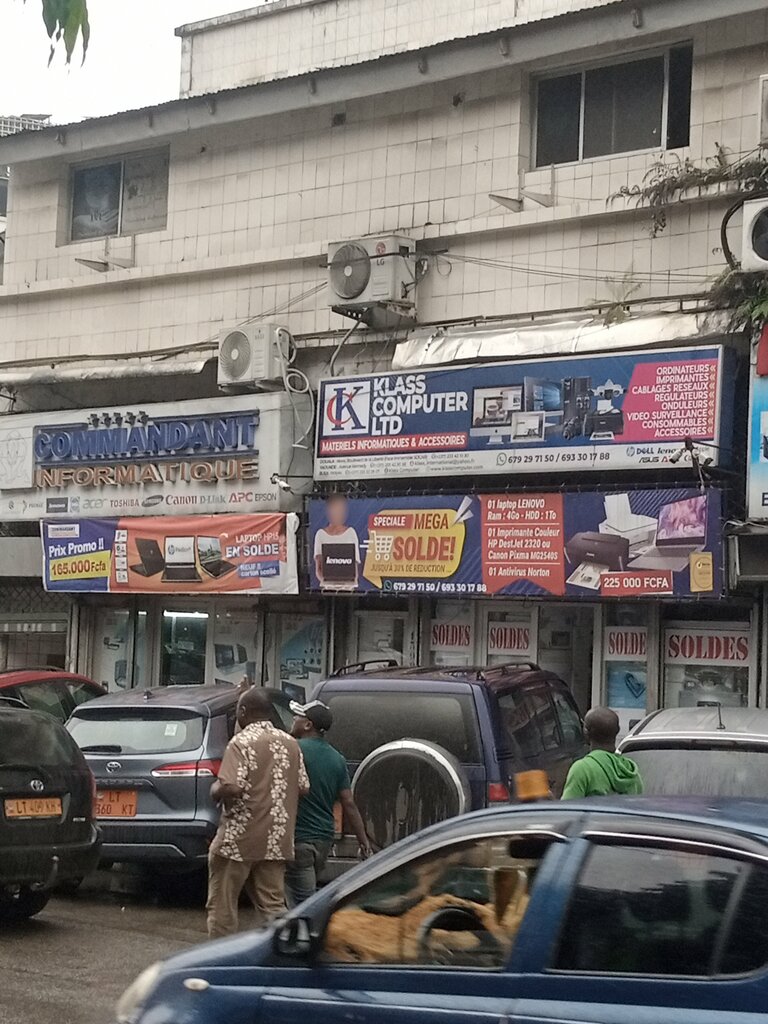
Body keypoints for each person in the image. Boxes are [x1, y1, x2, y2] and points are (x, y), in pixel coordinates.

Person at [206, 687, 309, 939]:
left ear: (243, 712)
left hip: (238, 839)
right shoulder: (290, 743)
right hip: (277, 837)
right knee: (273, 905)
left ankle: (220, 958)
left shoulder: (240, 742)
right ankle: (284, 954)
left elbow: (232, 785)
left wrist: (216, 788)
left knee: (223, 905)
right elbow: (304, 787)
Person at [285, 699, 371, 907]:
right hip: (324, 839)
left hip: (299, 838)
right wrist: (363, 840)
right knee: (303, 893)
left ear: (308, 725)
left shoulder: (293, 750)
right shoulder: (337, 759)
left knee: (303, 904)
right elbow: (348, 803)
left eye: (298, 717)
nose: (293, 719)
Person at [561, 706, 643, 799]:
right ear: (617, 731)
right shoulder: (631, 772)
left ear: (586, 732)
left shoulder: (582, 770)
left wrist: (550, 803)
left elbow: (567, 811)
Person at [313, 494, 360, 589]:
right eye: (335, 509)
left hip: (349, 589)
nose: (339, 513)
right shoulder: (320, 534)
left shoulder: (351, 533)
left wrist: (347, 586)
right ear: (328, 511)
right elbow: (318, 568)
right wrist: (328, 585)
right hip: (327, 589)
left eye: (342, 509)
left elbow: (355, 568)